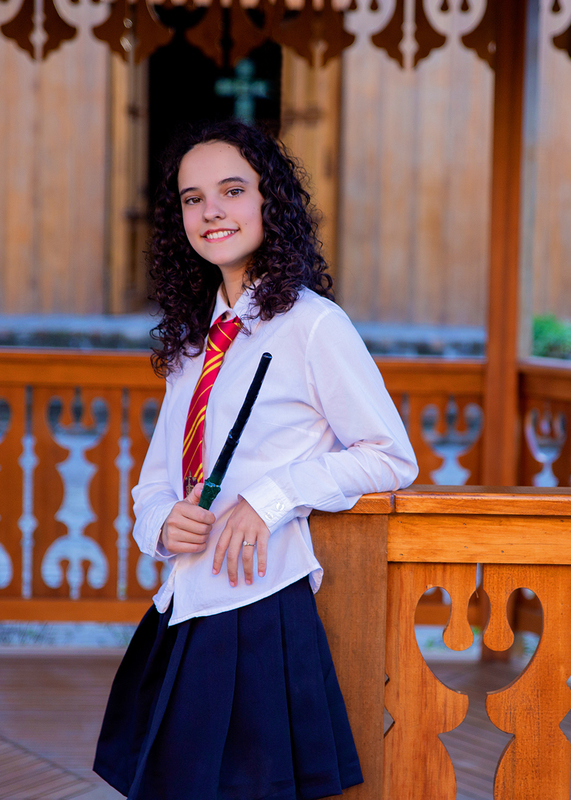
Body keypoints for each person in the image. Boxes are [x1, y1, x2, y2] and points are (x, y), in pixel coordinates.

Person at [93, 120, 418, 800]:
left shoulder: (314, 325)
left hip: (260, 605)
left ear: (271, 201)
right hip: (186, 600)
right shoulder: (194, 340)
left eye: (233, 190)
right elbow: (156, 481)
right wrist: (160, 522)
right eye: (192, 198)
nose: (211, 210)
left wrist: (269, 499)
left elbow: (390, 458)